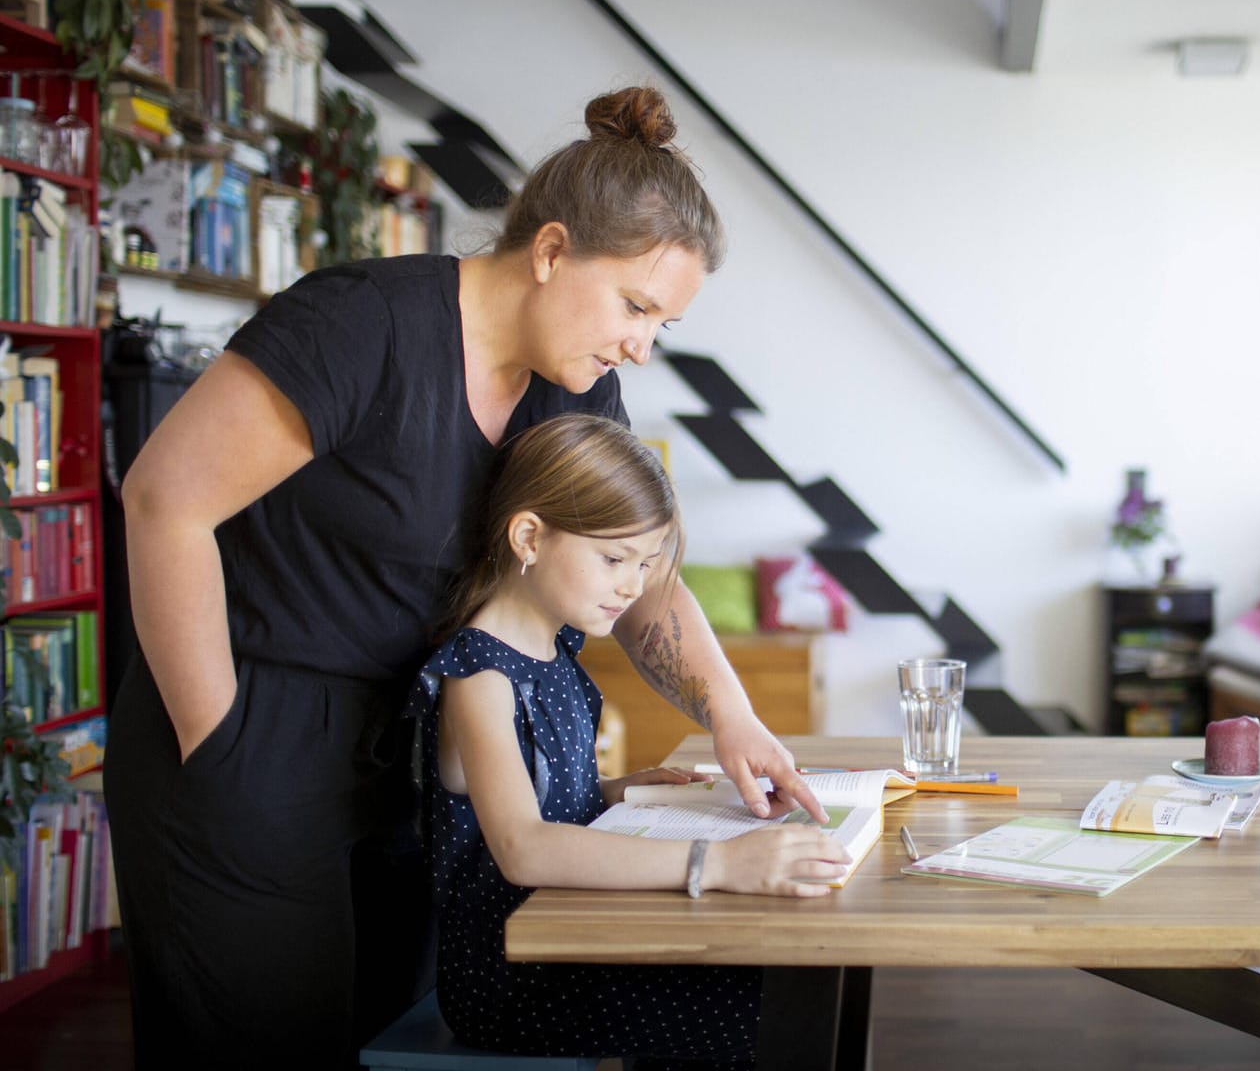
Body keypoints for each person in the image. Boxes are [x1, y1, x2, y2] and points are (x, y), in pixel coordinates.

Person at [103, 86, 826, 1067]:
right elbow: (164, 501)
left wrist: (731, 715)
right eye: (635, 306)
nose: (639, 346)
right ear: (551, 250)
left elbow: (639, 569)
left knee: (371, 1034)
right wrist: (216, 737)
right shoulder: (361, 324)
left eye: (662, 325)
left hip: (406, 747)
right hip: (255, 732)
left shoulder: (576, 384)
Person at [415, 414, 851, 1061]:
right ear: (529, 536)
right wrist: (722, 864)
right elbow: (522, 847)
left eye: (646, 564)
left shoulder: (555, 644)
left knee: (795, 985)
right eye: (614, 559)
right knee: (773, 1008)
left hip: (580, 938)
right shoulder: (480, 673)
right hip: (518, 978)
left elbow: (531, 796)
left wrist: (617, 790)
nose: (633, 586)